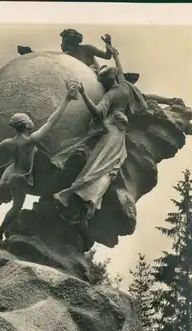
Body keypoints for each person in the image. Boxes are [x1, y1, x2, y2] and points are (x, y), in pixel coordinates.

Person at [0, 83, 78, 240]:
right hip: (20, 177)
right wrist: (66, 99)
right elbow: (51, 121)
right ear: (25, 125)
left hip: (10, 171)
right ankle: (1, 228)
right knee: (17, 206)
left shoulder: (9, 142)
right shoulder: (30, 140)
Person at [52, 47, 148, 226]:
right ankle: (74, 196)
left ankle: (85, 201)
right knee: (99, 166)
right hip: (112, 132)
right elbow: (97, 111)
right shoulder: (121, 89)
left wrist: (84, 93)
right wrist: (83, 94)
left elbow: (98, 109)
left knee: (106, 168)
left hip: (117, 133)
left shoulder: (119, 89)